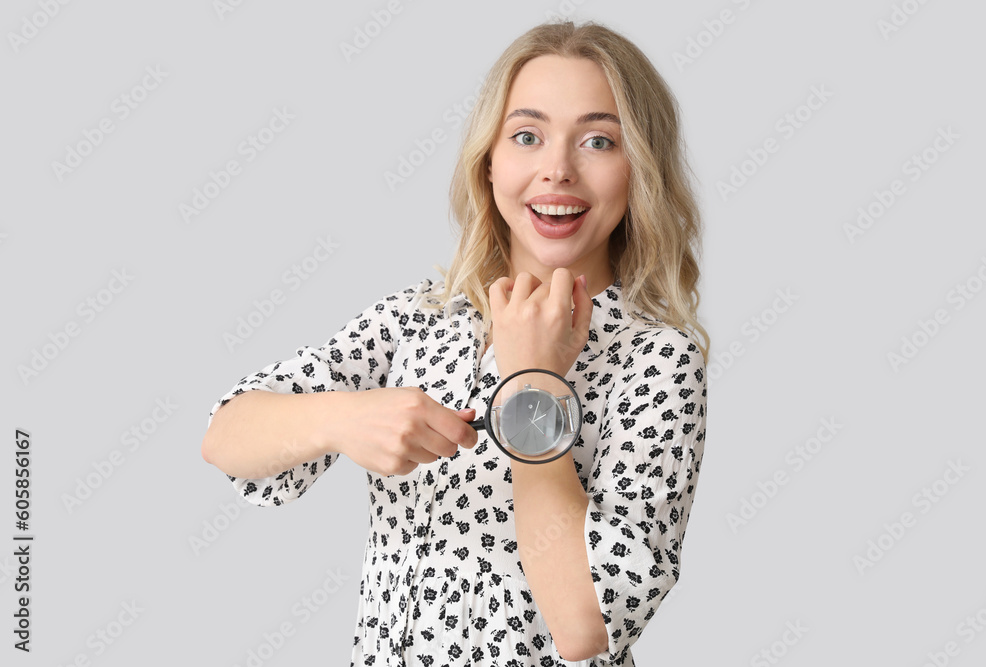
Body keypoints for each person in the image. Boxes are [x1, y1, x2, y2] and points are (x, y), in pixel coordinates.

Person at [201, 19, 709, 667]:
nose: (557, 169)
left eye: (598, 140)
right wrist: (344, 416)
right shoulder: (421, 317)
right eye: (527, 135)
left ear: (640, 167)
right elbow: (226, 435)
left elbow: (585, 623)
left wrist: (532, 384)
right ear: (490, 160)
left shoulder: (658, 360)